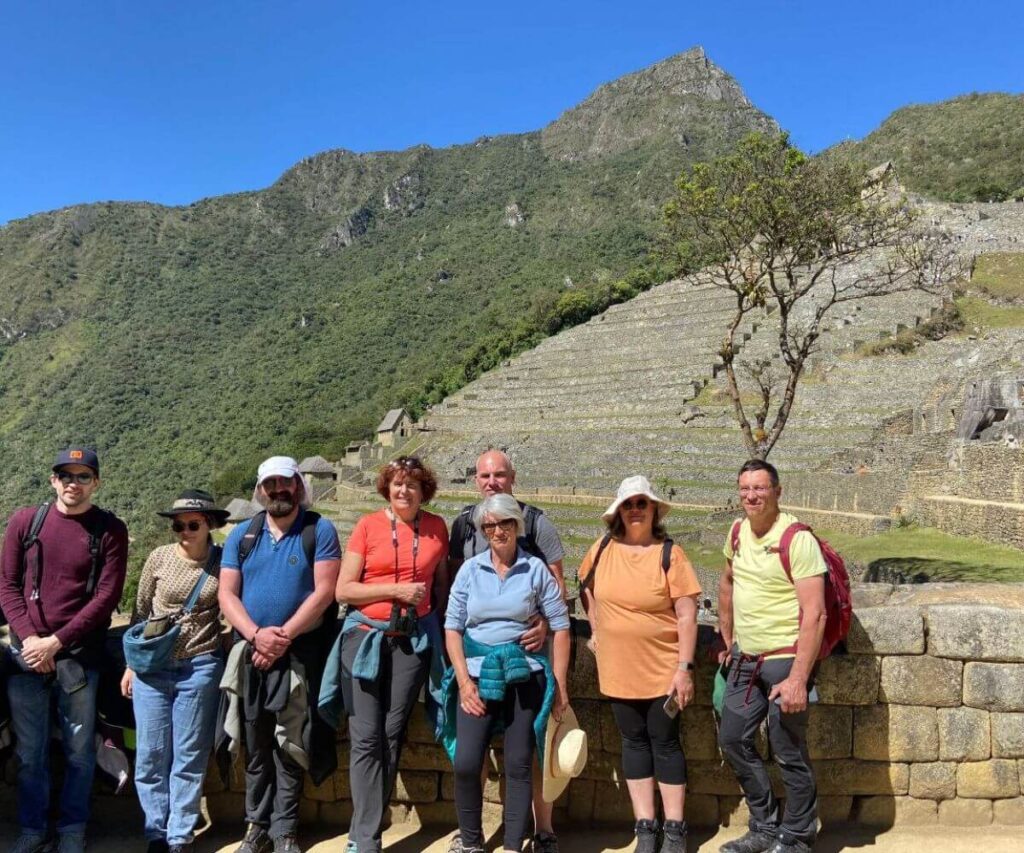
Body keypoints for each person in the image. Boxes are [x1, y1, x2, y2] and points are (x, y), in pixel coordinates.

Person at [0, 448, 129, 853]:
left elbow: (106, 596)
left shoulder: (109, 530)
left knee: (78, 751)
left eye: (83, 475)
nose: (74, 482)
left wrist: (56, 642)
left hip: (79, 658)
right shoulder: (26, 522)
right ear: (54, 480)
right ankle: (33, 830)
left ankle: (73, 829)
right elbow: (7, 585)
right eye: (66, 475)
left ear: (97, 482)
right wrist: (32, 640)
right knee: (29, 752)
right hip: (27, 657)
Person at [218, 457, 341, 853]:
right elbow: (227, 593)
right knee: (256, 743)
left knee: (291, 744)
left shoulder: (318, 530)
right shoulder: (243, 535)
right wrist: (257, 636)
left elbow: (324, 593)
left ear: (298, 486)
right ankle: (256, 827)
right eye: (269, 485)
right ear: (260, 491)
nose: (277, 491)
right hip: (252, 654)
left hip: (297, 654)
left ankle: (284, 829)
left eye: (284, 483)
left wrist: (282, 637)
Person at [447, 449, 565, 853]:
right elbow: (453, 622)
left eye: (505, 524)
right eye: (491, 525)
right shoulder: (465, 546)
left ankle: (519, 841)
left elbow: (559, 607)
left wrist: (548, 635)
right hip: (478, 670)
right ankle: (471, 840)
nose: (498, 530)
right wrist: (463, 680)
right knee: (467, 761)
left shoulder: (537, 545)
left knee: (519, 761)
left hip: (524, 666)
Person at [578, 475, 700, 853]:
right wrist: (597, 629)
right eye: (628, 504)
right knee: (632, 744)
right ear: (618, 511)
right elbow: (585, 586)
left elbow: (686, 614)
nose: (635, 510)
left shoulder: (670, 554)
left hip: (663, 668)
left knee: (664, 743)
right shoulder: (601, 549)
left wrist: (685, 668)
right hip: (618, 668)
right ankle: (646, 828)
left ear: (653, 510)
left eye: (641, 503)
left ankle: (675, 829)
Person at [335, 456, 450, 853]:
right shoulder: (367, 526)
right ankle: (364, 837)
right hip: (366, 637)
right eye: (398, 484)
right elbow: (344, 591)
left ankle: (365, 828)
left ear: (424, 491)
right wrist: (395, 592)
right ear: (387, 487)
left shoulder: (436, 528)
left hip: (411, 642)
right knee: (366, 737)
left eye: (412, 485)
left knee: (390, 734)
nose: (404, 491)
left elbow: (440, 588)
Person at [717, 460, 827, 853]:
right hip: (746, 661)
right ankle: (764, 826)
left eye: (760, 488)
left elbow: (815, 613)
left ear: (777, 492)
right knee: (731, 739)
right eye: (745, 488)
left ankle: (797, 835)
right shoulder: (736, 532)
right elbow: (728, 582)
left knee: (788, 751)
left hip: (785, 660)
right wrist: (727, 635)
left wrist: (799, 678)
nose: (751, 496)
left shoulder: (797, 540)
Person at [120, 490, 231, 853]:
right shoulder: (158, 558)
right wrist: (130, 665)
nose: (184, 530)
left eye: (193, 524)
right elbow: (138, 615)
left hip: (200, 665)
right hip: (153, 668)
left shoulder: (222, 561)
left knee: (189, 754)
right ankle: (156, 832)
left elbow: (229, 609)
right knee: (151, 754)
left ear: (209, 525)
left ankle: (179, 835)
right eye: (178, 525)